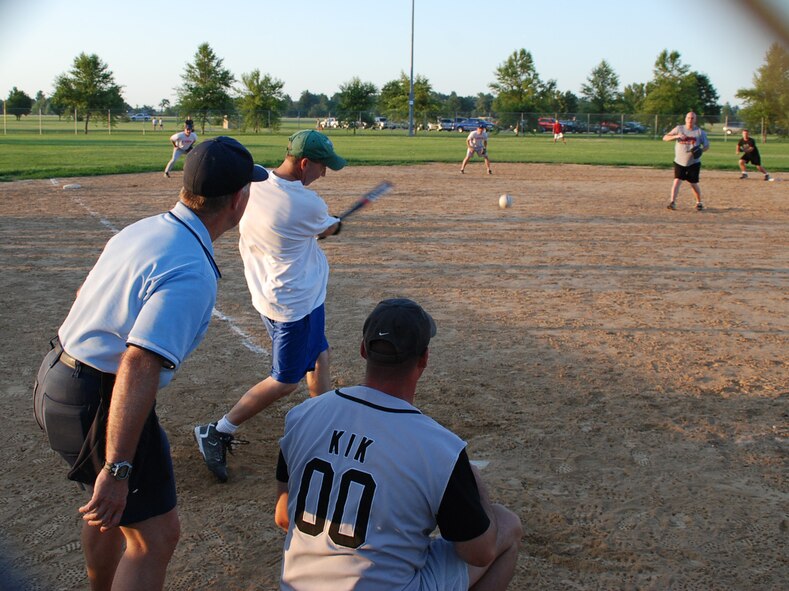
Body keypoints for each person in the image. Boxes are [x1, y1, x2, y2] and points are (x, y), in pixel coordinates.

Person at [33, 137, 267, 591]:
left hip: (56, 377)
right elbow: (138, 364)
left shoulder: (144, 228)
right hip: (98, 398)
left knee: (110, 515)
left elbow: (84, 297)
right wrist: (119, 467)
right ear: (238, 200)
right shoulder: (192, 268)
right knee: (155, 538)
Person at [274, 298, 523, 590]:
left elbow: (284, 517)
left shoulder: (302, 415)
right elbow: (480, 553)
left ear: (364, 349)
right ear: (424, 359)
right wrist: (476, 483)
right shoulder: (440, 448)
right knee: (507, 524)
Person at [195, 130, 346, 482]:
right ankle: (218, 429)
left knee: (320, 353)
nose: (324, 175)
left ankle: (320, 423)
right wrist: (333, 225)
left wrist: (325, 226)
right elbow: (327, 229)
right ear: (305, 163)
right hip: (290, 303)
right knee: (286, 380)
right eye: (322, 167)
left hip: (285, 292)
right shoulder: (307, 205)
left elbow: (313, 229)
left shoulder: (255, 180)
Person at [662, 111, 710, 211]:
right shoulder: (679, 129)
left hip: (694, 162)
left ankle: (699, 202)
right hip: (679, 161)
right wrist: (676, 136)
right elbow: (665, 138)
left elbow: (707, 146)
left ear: (695, 120)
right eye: (688, 118)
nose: (690, 120)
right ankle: (672, 202)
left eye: (692, 118)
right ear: (685, 119)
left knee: (693, 183)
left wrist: (701, 150)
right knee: (676, 181)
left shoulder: (699, 132)